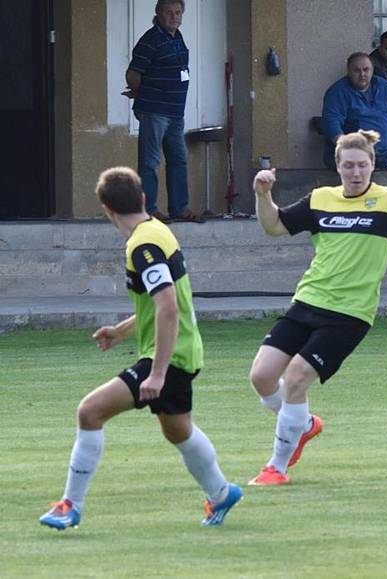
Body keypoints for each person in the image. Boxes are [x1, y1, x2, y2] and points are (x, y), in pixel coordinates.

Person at [39, 167, 242, 530]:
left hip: (170, 356)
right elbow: (162, 302)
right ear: (144, 199)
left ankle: (70, 505)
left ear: (105, 209)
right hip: (183, 350)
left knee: (89, 412)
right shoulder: (157, 231)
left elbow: (167, 306)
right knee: (177, 430)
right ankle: (221, 493)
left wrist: (159, 372)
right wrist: (121, 331)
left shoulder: (143, 246)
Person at [247, 130, 387, 486]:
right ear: (337, 167)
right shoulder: (321, 199)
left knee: (295, 378)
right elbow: (274, 226)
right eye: (348, 166)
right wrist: (263, 195)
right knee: (261, 376)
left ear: (373, 165)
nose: (356, 173)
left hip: (349, 315)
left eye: (363, 165)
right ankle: (303, 424)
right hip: (307, 300)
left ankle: (276, 467)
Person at [123, 0, 203, 224]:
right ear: (158, 13)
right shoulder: (151, 40)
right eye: (169, 12)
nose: (174, 16)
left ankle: (179, 209)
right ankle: (148, 211)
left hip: (176, 112)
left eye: (178, 12)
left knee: (179, 159)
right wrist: (144, 96)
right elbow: (132, 74)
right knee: (150, 162)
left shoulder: (177, 37)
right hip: (155, 111)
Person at [320, 53, 387, 169]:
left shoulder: (382, 86)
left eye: (366, 70)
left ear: (372, 70)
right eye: (357, 70)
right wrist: (346, 148)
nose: (362, 74)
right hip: (358, 151)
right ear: (349, 71)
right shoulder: (337, 92)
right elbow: (331, 122)